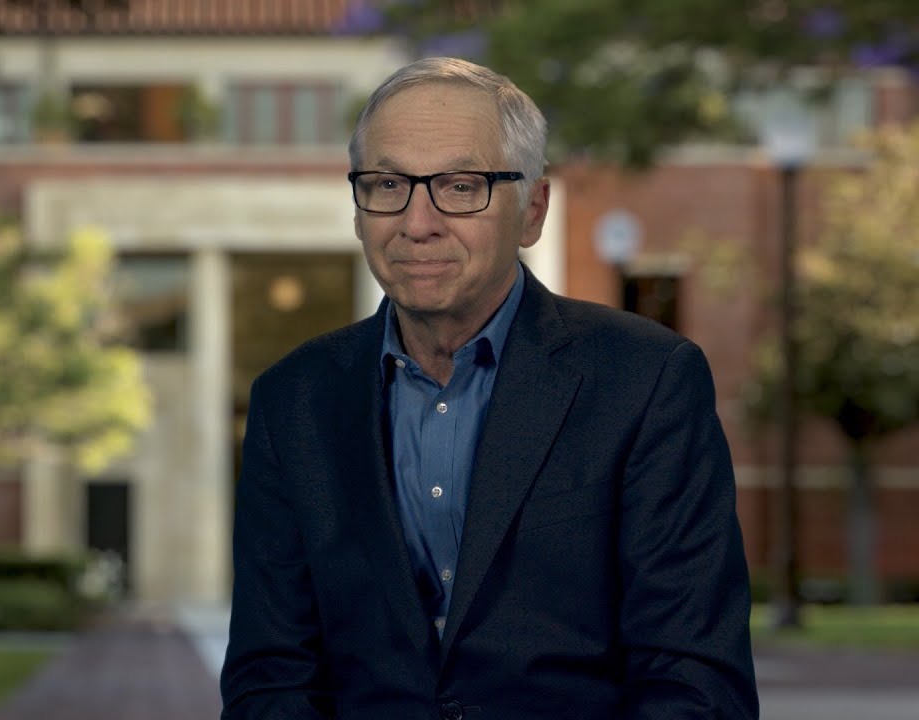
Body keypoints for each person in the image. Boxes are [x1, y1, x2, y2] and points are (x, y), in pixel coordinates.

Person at [220, 57, 759, 719]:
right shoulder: (292, 401)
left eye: (460, 185)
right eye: (388, 183)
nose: (417, 223)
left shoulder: (646, 382)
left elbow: (694, 678)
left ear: (532, 210)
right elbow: (270, 675)